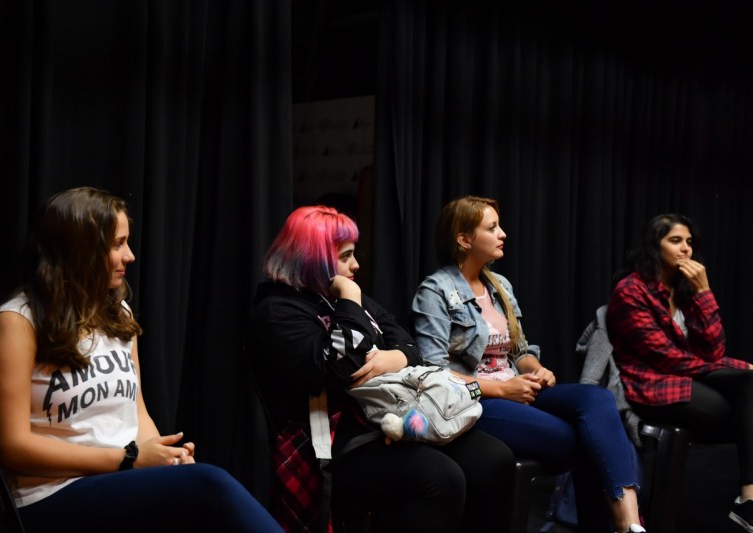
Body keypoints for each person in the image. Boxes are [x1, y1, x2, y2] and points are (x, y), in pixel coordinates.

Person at [0, 187, 281, 533]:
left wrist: (166, 460)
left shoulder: (118, 314)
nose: (130, 255)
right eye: (117, 244)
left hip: (120, 479)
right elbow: (13, 447)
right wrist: (129, 459)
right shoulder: (17, 322)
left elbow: (136, 413)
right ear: (79, 249)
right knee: (210, 484)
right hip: (51, 495)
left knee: (196, 488)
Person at [246, 205, 516, 533]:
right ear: (314, 259)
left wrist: (395, 358)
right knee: (441, 478)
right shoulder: (278, 311)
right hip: (335, 441)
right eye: (345, 256)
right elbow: (339, 368)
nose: (356, 265)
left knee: (493, 460)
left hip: (392, 417)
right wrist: (349, 298)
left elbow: (410, 346)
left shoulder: (346, 299)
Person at [411, 195, 645, 533]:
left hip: (517, 388)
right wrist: (502, 390)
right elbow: (433, 374)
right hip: (476, 401)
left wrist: (536, 369)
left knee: (598, 399)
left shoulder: (499, 285)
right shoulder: (434, 291)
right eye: (492, 228)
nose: (503, 233)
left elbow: (519, 351)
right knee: (589, 441)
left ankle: (630, 524)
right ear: (464, 239)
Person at [606, 213, 753, 532]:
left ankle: (749, 499)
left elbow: (713, 350)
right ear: (653, 245)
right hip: (652, 387)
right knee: (745, 392)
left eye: (689, 242)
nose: (686, 248)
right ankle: (748, 501)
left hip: (690, 381)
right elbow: (666, 358)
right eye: (675, 240)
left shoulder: (685, 290)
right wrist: (735, 367)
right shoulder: (631, 290)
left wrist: (703, 292)